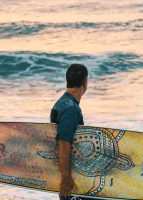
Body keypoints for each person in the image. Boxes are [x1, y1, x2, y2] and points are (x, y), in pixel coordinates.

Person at [51, 64, 88, 200]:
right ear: (85, 83)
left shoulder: (63, 102)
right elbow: (63, 142)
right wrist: (66, 178)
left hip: (70, 177)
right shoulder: (71, 109)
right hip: (71, 182)